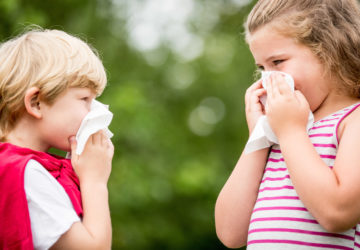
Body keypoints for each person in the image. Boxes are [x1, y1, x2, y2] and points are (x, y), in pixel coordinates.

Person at [215, 0, 360, 249]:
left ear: (329, 49)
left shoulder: (352, 120)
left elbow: (337, 213)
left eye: (278, 62)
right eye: (262, 68)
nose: (269, 79)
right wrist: (259, 136)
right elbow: (231, 233)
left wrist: (291, 131)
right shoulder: (281, 131)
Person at [0, 28, 114, 249]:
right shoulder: (25, 174)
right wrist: (95, 181)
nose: (94, 113)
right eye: (85, 99)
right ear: (36, 103)